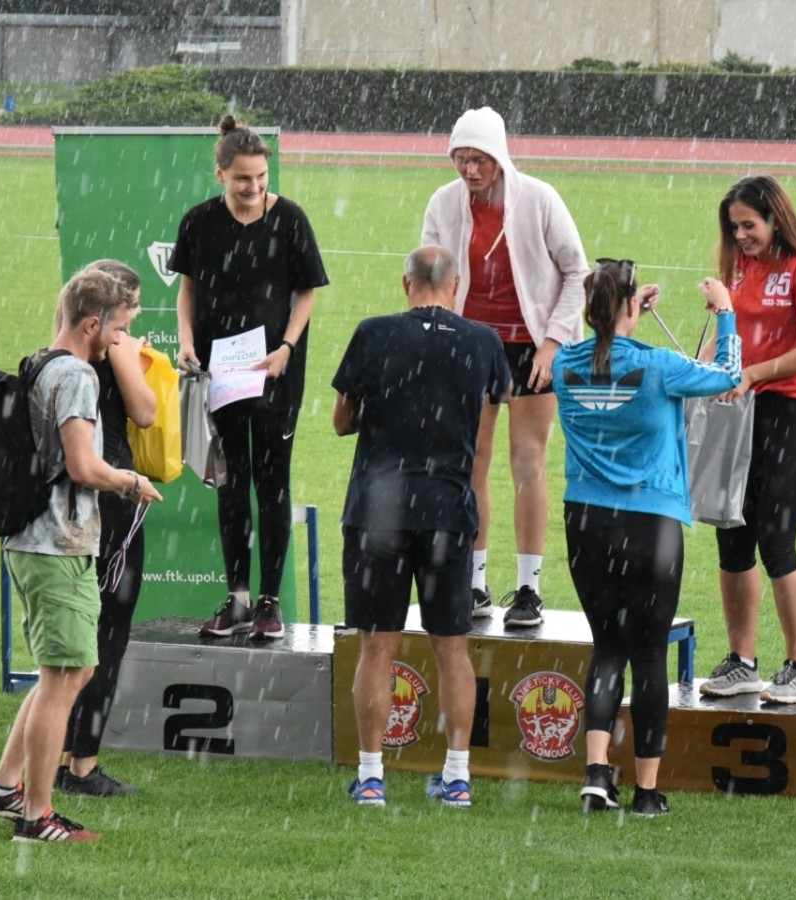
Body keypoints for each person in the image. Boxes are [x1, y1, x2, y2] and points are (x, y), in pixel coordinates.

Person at [0, 267, 163, 843]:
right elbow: (82, 466)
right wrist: (130, 481)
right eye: (119, 328)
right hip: (57, 545)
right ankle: (37, 816)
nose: (122, 339)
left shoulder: (41, 362)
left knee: (62, 671)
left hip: (32, 541)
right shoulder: (77, 375)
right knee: (69, 673)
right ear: (92, 324)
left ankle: (2, 788)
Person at [553, 258, 742, 817]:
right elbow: (728, 374)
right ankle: (647, 793)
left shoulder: (563, 364)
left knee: (608, 647)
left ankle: (595, 774)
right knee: (650, 656)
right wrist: (725, 311)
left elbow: (605, 352)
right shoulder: (659, 367)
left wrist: (627, 310)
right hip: (651, 524)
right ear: (631, 306)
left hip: (586, 521)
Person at [332, 246, 511, 808]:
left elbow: (340, 421)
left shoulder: (373, 333)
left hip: (378, 511)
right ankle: (457, 777)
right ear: (455, 286)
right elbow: (483, 439)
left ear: (405, 283)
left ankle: (371, 777)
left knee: (377, 648)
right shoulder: (484, 342)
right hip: (448, 510)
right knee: (452, 650)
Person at [422, 106, 588, 629]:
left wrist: (552, 343)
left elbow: (577, 272)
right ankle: (473, 583)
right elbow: (432, 277)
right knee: (470, 463)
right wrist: (441, 340)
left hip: (531, 347)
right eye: (461, 159)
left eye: (480, 159)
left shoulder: (539, 198)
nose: (470, 170)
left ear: (500, 157)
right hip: (471, 346)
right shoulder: (443, 203)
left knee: (527, 463)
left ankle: (529, 589)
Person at [172, 115, 329, 641]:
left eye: (261, 177)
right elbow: (187, 289)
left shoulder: (290, 219)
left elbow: (307, 292)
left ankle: (270, 602)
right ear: (220, 173)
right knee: (231, 483)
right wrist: (187, 341)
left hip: (276, 373)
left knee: (273, 484)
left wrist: (286, 347)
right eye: (243, 178)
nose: (254, 187)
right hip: (220, 373)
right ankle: (237, 597)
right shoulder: (198, 222)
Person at [696, 174, 796, 705]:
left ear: (776, 219)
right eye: (733, 227)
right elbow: (725, 340)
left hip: (790, 418)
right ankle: (742, 662)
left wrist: (753, 372)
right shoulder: (737, 266)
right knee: (731, 538)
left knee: (777, 541)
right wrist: (702, 368)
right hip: (737, 415)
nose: (740, 236)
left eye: (749, 225)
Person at [54, 261, 155, 797]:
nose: (129, 327)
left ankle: (57, 755)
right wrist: (131, 357)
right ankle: (83, 764)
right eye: (127, 317)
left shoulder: (59, 349)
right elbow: (145, 412)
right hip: (112, 496)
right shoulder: (114, 347)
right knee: (107, 635)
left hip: (67, 507)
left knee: (72, 636)